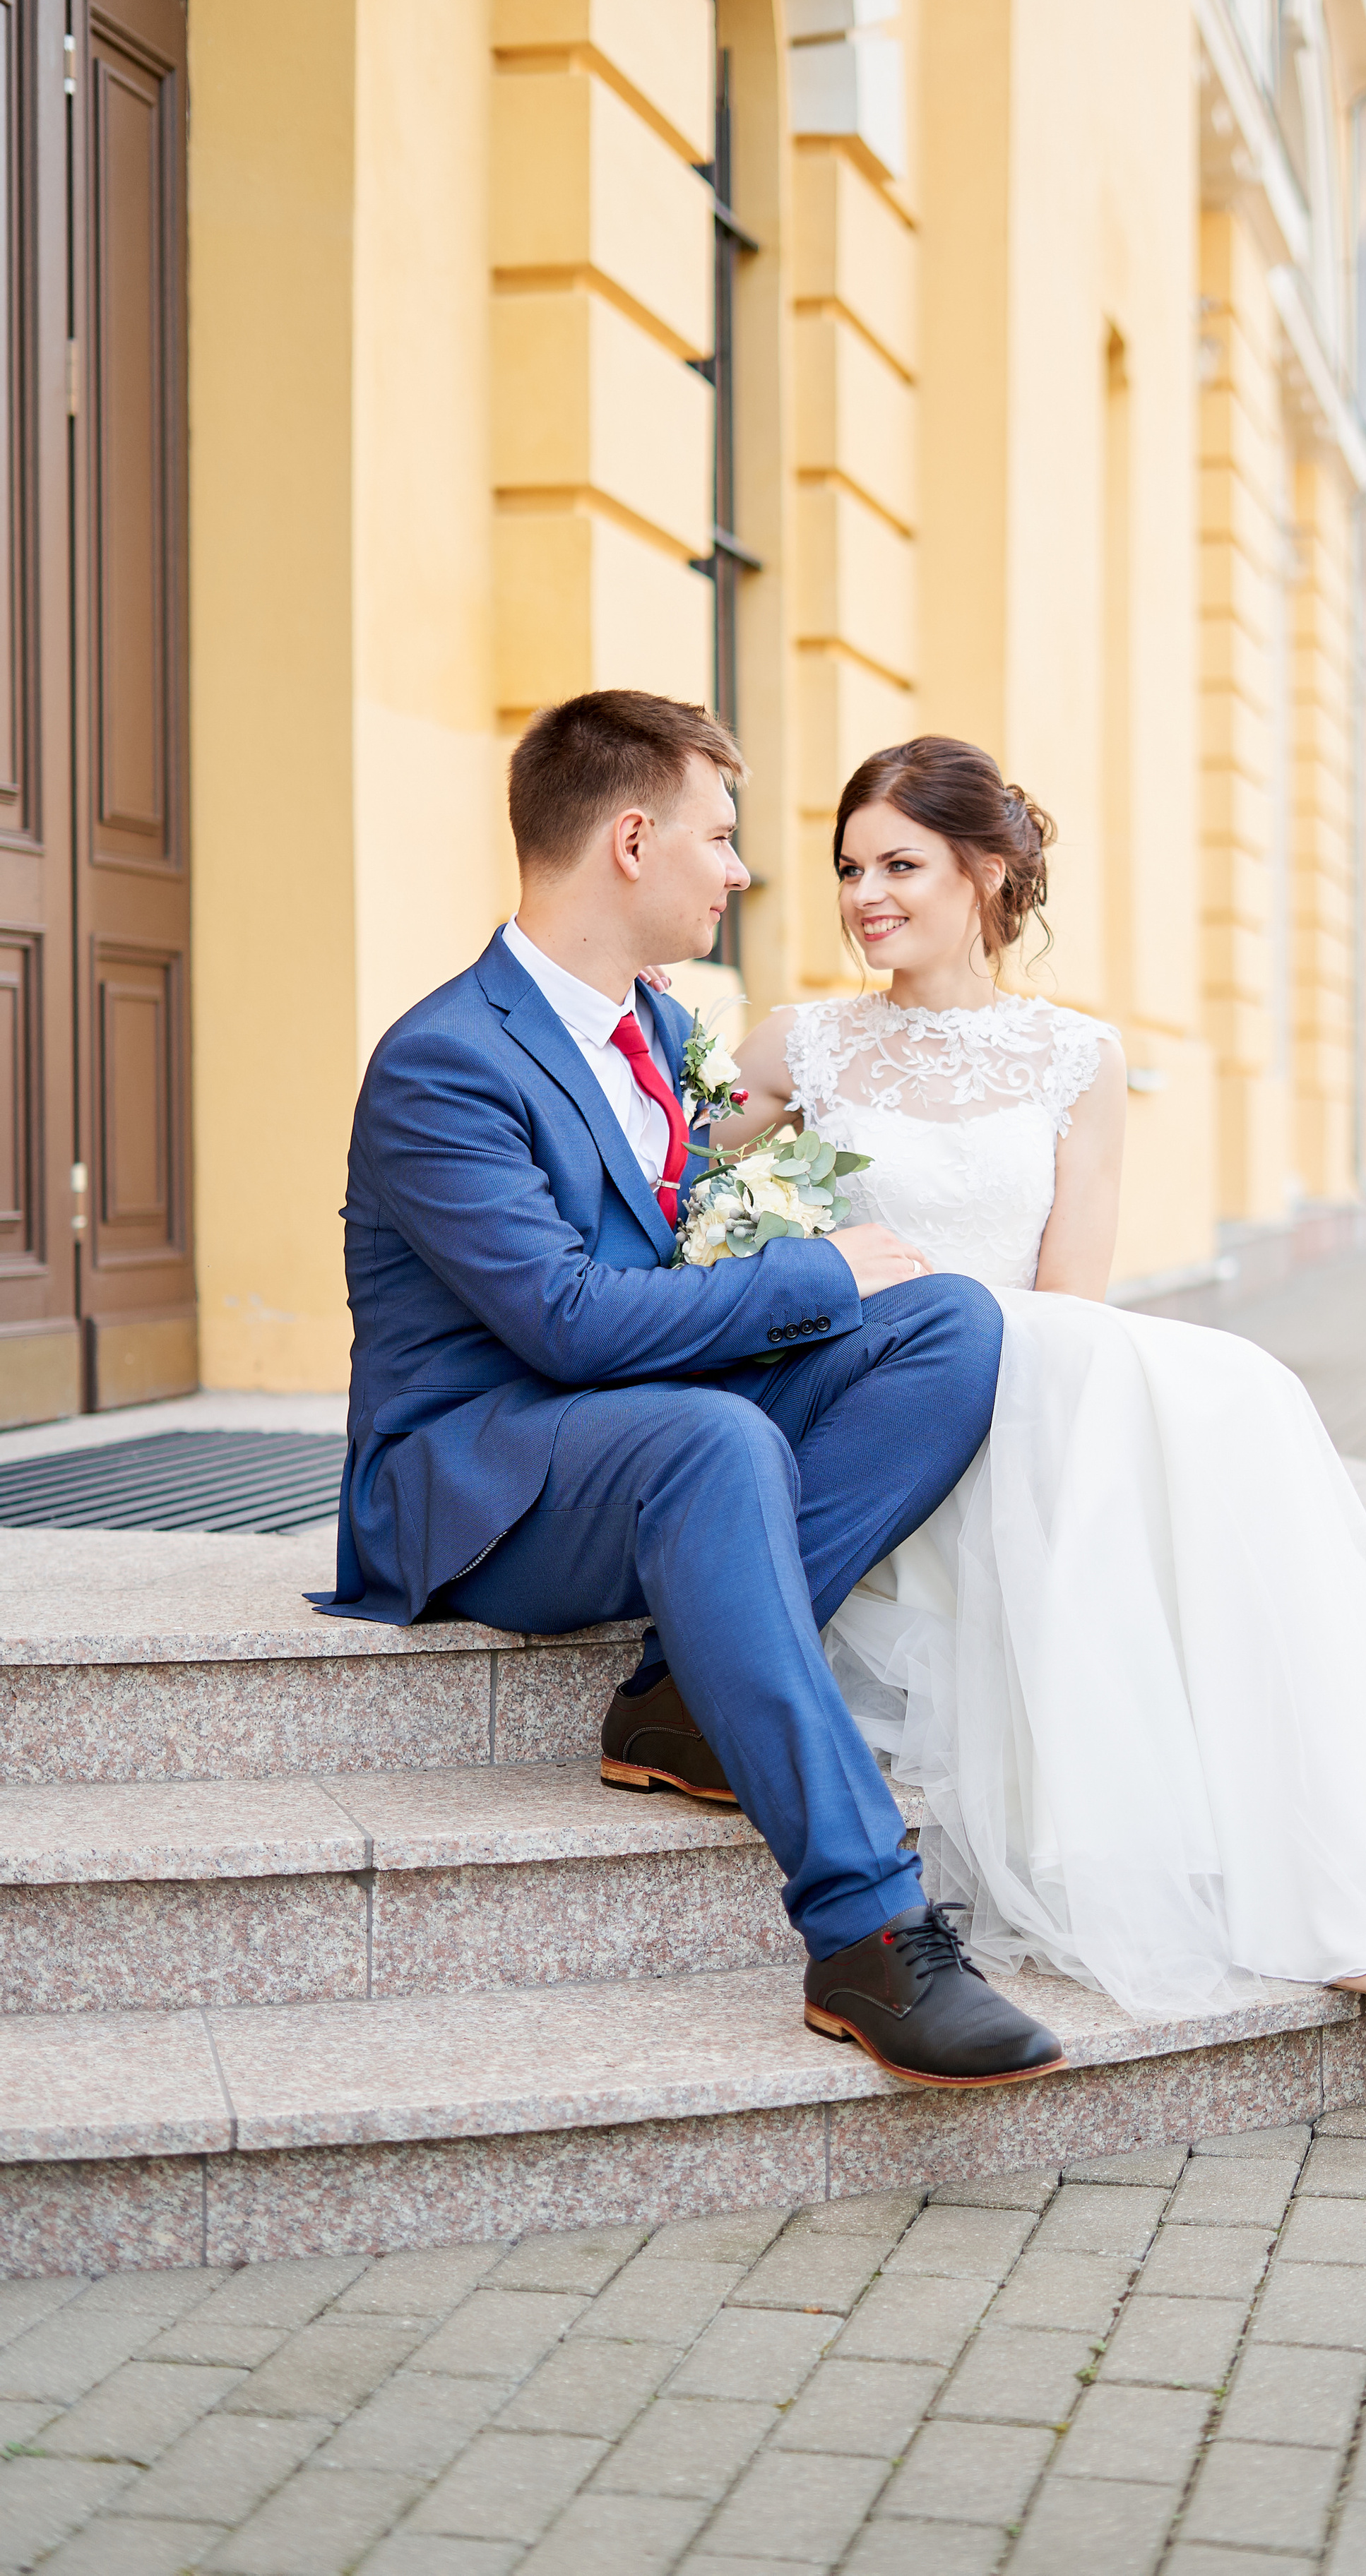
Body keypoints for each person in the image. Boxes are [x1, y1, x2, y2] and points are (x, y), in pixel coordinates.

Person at [720, 735, 1366, 2069]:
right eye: (850, 868)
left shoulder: (1073, 1059)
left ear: (985, 873)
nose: (866, 893)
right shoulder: (800, 1041)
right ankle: (1302, 1877)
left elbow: (1072, 1290)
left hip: (1020, 1357)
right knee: (1203, 1393)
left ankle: (1341, 1874)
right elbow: (683, 1186)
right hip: (875, 1391)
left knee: (1230, 1394)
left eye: (901, 864)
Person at [312, 691, 1066, 2092]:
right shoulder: (445, 1062)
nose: (740, 872)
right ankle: (867, 1931)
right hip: (480, 1479)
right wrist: (816, 1273)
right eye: (722, 840)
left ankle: (678, 1705)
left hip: (642, 1421)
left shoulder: (655, 1029)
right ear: (633, 839)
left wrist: (823, 1276)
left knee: (948, 1326)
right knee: (711, 1438)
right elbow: (566, 1322)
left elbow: (684, 1249)